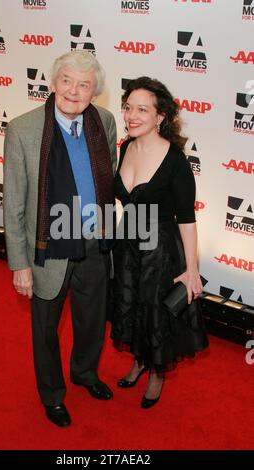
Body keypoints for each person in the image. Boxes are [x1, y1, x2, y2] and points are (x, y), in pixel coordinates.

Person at [3, 51, 117, 427]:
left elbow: (108, 182)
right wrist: (19, 263)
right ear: (54, 83)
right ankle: (52, 394)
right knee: (45, 327)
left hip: (94, 241)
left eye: (84, 84)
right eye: (67, 80)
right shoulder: (24, 128)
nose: (74, 90)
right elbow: (15, 202)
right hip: (47, 248)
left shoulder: (105, 122)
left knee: (92, 319)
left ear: (94, 92)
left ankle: (84, 373)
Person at [111, 77, 209, 408]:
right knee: (132, 304)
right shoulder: (125, 146)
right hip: (128, 245)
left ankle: (156, 372)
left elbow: (187, 219)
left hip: (160, 250)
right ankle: (139, 360)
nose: (132, 116)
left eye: (142, 109)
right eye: (128, 108)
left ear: (160, 117)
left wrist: (191, 269)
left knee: (154, 310)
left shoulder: (175, 162)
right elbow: (123, 202)